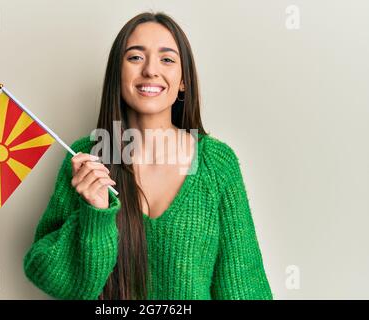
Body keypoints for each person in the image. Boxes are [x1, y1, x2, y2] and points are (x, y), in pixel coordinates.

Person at [23, 11, 273, 300]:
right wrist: (96, 214)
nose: (151, 70)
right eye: (135, 57)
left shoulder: (216, 163)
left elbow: (243, 286)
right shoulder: (86, 159)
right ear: (117, 74)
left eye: (167, 59)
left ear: (183, 81)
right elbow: (55, 278)